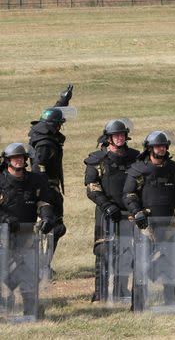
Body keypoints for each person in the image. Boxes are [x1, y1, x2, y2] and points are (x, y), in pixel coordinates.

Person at [123, 131, 175, 310]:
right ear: (149, 148)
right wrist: (136, 212)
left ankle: (171, 301)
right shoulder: (139, 169)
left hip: (168, 224)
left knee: (169, 263)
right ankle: (138, 303)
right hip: (145, 226)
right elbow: (129, 194)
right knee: (142, 263)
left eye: (164, 146)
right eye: (158, 146)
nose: (162, 149)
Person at [84, 119, 140, 302]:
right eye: (116, 135)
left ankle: (121, 290)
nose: (119, 138)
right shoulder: (97, 160)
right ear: (108, 138)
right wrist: (107, 205)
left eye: (122, 135)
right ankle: (100, 292)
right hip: (106, 212)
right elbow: (92, 187)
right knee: (103, 251)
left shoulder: (136, 157)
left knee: (126, 252)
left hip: (128, 212)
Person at [0, 143, 56, 317]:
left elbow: (44, 202)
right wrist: (5, 220)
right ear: (7, 161)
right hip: (2, 236)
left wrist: (47, 218)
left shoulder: (35, 180)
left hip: (27, 235)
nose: (18, 160)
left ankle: (31, 312)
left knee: (29, 274)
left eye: (21, 158)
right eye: (14, 158)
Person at [28, 84, 73, 252]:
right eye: (59, 124)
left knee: (55, 227)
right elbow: (37, 169)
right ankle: (42, 263)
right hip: (47, 187)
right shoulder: (46, 144)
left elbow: (51, 113)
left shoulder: (40, 130)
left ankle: (41, 263)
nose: (61, 127)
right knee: (54, 227)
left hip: (45, 186)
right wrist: (44, 192)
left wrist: (63, 100)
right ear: (55, 126)